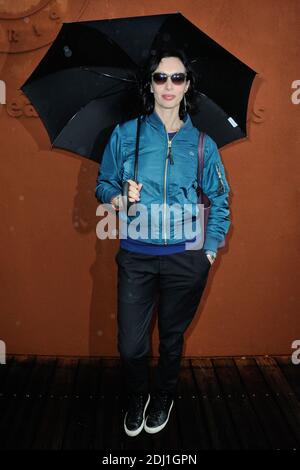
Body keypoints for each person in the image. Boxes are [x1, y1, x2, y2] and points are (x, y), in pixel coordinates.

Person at [95, 48, 231, 437]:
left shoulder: (202, 144)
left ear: (187, 86)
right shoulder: (125, 134)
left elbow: (220, 202)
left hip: (186, 259)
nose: (168, 85)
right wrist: (119, 197)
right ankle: (138, 395)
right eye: (160, 77)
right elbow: (101, 184)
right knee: (131, 347)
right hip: (137, 256)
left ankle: (164, 396)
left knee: (171, 340)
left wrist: (208, 251)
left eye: (176, 78)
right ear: (150, 85)